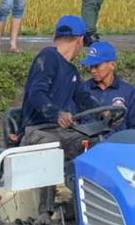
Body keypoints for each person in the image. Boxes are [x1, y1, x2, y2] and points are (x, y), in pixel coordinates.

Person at [19, 15, 100, 160]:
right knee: (52, 147)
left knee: (97, 144)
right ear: (80, 41)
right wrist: (57, 114)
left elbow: (83, 98)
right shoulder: (49, 57)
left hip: (60, 132)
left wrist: (104, 112)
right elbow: (36, 94)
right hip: (38, 131)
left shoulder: (71, 71)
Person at [80, 41, 135, 132]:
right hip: (89, 144)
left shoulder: (129, 92)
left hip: (119, 144)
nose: (93, 71)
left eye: (97, 66)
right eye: (91, 66)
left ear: (112, 65)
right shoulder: (82, 90)